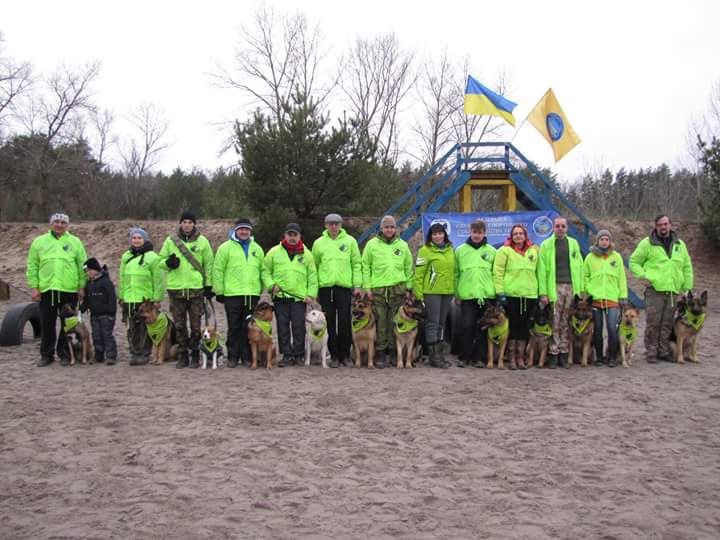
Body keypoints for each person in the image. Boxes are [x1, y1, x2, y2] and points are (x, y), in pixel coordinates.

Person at [26, 212, 88, 367]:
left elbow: (82, 266)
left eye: (62, 222)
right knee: (47, 324)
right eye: (56, 222)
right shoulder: (39, 242)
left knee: (68, 325)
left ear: (67, 225)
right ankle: (47, 355)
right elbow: (32, 265)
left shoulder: (75, 242)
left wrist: (81, 286)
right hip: (48, 289)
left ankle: (65, 353)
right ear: (51, 223)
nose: (59, 225)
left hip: (69, 290)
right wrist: (34, 287)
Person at [629, 215, 693, 362]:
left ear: (670, 225)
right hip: (655, 290)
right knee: (654, 322)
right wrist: (643, 276)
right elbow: (634, 261)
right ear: (655, 226)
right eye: (660, 225)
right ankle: (651, 351)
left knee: (667, 323)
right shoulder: (647, 243)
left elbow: (687, 267)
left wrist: (687, 287)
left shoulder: (680, 245)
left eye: (665, 224)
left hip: (673, 290)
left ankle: (663, 351)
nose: (663, 227)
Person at [159, 211, 215, 369]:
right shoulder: (170, 241)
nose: (187, 225)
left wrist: (209, 285)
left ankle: (196, 353)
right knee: (179, 326)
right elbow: (160, 261)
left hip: (196, 289)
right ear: (180, 223)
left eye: (190, 222)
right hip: (176, 290)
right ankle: (183, 354)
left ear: (194, 224)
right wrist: (168, 263)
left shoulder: (203, 241)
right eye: (184, 222)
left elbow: (209, 265)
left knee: (197, 327)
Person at [213, 218, 269, 368]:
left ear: (250, 231)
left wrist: (264, 287)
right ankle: (232, 356)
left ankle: (247, 357)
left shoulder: (257, 248)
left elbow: (263, 270)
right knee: (233, 326)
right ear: (236, 230)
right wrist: (219, 291)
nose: (244, 232)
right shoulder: (225, 248)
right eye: (241, 229)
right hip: (232, 294)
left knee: (249, 327)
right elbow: (218, 270)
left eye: (247, 229)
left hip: (251, 294)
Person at [361, 215, 414, 369]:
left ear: (395, 229)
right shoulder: (372, 245)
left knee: (394, 322)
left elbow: (408, 268)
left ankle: (393, 352)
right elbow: (365, 267)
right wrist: (367, 288)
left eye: (392, 227)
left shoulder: (403, 245)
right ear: (381, 228)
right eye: (386, 227)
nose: (389, 230)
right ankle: (380, 353)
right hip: (378, 290)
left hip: (397, 290)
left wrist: (408, 288)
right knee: (381, 323)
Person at [311, 213, 362, 368]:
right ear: (326, 225)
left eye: (336, 224)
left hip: (344, 287)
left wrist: (358, 284)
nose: (333, 227)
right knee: (330, 322)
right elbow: (314, 267)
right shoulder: (319, 243)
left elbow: (356, 264)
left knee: (345, 322)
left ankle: (345, 355)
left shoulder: (350, 241)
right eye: (330, 224)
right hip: (326, 288)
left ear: (341, 225)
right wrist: (314, 291)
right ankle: (333, 355)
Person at [265, 223, 318, 367]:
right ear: (285, 235)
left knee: (299, 326)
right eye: (290, 234)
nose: (292, 237)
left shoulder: (307, 254)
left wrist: (311, 294)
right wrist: (271, 285)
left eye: (295, 235)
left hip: (299, 299)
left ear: (300, 236)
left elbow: (312, 276)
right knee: (282, 327)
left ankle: (299, 354)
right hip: (281, 297)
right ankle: (287, 355)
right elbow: (265, 271)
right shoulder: (274, 252)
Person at [537, 216, 584, 368]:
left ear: (566, 228)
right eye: (557, 226)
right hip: (554, 286)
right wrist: (543, 293)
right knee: (554, 320)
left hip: (571, 286)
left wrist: (581, 289)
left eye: (563, 226)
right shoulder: (546, 245)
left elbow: (580, 267)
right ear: (553, 228)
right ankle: (553, 353)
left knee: (566, 320)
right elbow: (542, 271)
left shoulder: (573, 243)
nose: (560, 229)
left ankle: (564, 352)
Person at [492, 224, 539, 370]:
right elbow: (498, 272)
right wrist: (500, 292)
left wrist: (541, 292)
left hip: (530, 294)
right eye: (515, 234)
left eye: (521, 233)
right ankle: (511, 357)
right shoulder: (504, 251)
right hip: (511, 294)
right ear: (511, 236)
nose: (518, 236)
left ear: (525, 235)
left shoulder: (534, 251)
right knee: (513, 326)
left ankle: (521, 358)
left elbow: (539, 272)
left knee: (525, 327)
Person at [454, 219, 497, 368]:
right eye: (474, 232)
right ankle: (464, 356)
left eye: (480, 232)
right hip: (468, 294)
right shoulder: (460, 250)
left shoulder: (491, 251)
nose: (477, 235)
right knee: (467, 326)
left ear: (484, 233)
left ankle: (479, 358)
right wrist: (457, 293)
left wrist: (496, 293)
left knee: (483, 328)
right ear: (470, 232)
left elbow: (496, 274)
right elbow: (456, 273)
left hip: (486, 295)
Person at [118, 227, 163, 365]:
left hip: (145, 300)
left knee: (145, 329)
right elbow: (122, 278)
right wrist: (121, 296)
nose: (136, 240)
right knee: (132, 328)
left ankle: (144, 353)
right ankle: (134, 352)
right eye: (134, 238)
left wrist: (157, 298)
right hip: (129, 298)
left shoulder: (153, 257)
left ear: (145, 240)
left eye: (139, 238)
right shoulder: (126, 256)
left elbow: (158, 279)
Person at [583, 230, 628, 367]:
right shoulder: (590, 257)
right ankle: (599, 357)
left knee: (612, 328)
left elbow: (621, 278)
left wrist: (623, 296)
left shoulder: (616, 257)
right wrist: (588, 291)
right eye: (601, 239)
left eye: (606, 239)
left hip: (612, 298)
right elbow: (584, 276)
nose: (604, 241)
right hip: (596, 298)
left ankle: (612, 357)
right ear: (597, 241)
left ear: (610, 241)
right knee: (597, 329)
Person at [414, 222, 454, 368]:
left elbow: (454, 272)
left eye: (440, 233)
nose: (438, 236)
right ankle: (433, 356)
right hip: (431, 292)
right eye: (434, 234)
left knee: (441, 324)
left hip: (447, 292)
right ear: (431, 236)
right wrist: (419, 295)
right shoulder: (425, 251)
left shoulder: (451, 250)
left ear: (445, 234)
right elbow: (418, 274)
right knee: (433, 323)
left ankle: (440, 353)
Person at [80, 257, 118, 365]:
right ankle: (98, 355)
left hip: (106, 315)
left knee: (107, 335)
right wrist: (82, 309)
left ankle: (111, 356)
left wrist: (112, 312)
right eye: (86, 272)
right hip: (94, 315)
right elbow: (87, 299)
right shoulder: (89, 284)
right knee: (96, 336)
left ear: (96, 269)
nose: (88, 273)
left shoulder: (106, 282)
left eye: (89, 271)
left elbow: (112, 298)